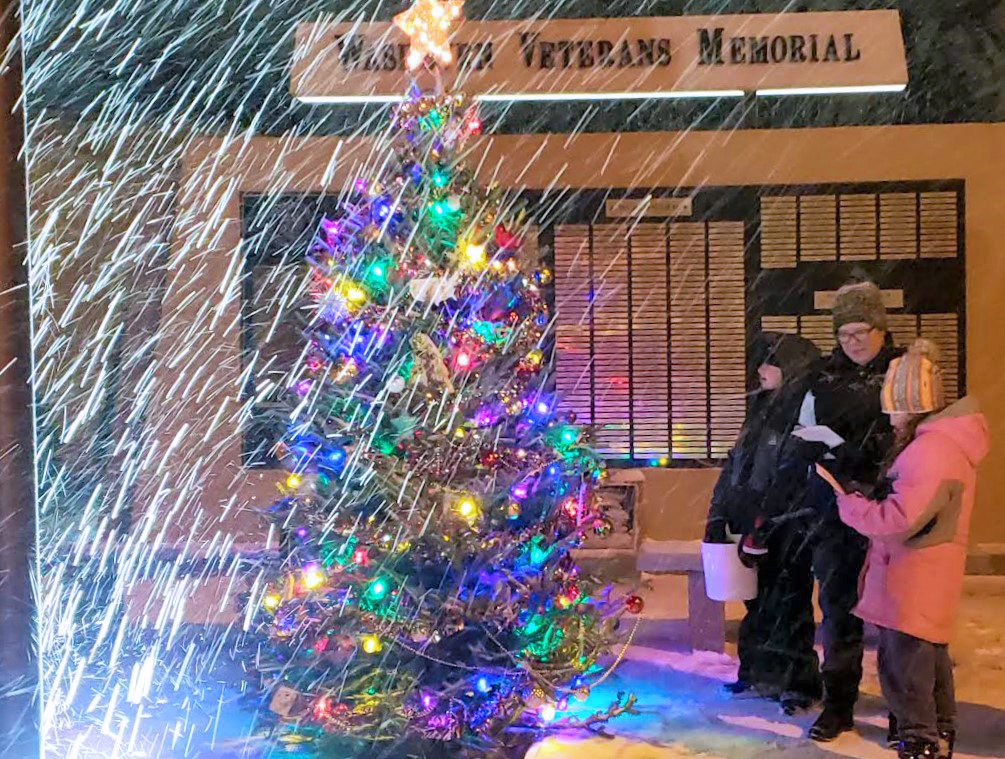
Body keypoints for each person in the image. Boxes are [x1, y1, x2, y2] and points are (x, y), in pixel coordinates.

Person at [815, 340, 988, 759]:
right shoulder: (943, 444)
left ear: (913, 406)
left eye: (894, 408)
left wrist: (851, 505)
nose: (889, 419)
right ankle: (939, 733)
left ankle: (921, 742)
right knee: (928, 664)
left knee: (905, 670)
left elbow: (900, 520)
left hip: (914, 576)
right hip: (925, 573)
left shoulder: (932, 449)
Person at [801, 281, 904, 741]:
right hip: (836, 511)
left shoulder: (903, 373)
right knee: (838, 610)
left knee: (897, 614)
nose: (854, 341)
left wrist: (844, 448)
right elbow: (800, 433)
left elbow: (904, 441)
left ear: (881, 329)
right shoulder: (822, 376)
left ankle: (906, 708)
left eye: (862, 330)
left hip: (892, 506)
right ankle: (838, 704)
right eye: (844, 333)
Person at [706, 331, 822, 714]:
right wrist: (719, 513)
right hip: (751, 522)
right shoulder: (761, 409)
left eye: (769, 362)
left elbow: (790, 476)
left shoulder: (800, 414)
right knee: (756, 602)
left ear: (789, 368)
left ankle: (798, 684)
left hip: (786, 527)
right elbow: (737, 464)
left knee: (789, 603)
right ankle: (757, 672)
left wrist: (766, 521)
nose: (760, 370)